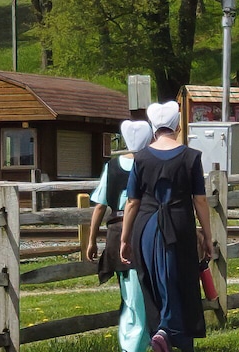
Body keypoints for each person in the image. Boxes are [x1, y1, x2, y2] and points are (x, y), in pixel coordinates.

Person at [119, 102, 215, 352]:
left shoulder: (141, 158)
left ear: (153, 127)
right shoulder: (190, 156)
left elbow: (132, 202)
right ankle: (172, 333)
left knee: (153, 281)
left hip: (147, 226)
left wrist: (125, 237)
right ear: (177, 125)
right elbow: (200, 200)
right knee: (180, 278)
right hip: (179, 223)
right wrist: (206, 234)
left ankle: (161, 330)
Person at [85, 120, 155, 352]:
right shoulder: (151, 164)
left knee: (130, 296)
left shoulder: (113, 167)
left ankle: (132, 343)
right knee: (144, 293)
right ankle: (139, 342)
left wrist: (92, 238)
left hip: (116, 234)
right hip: (146, 231)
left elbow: (100, 206)